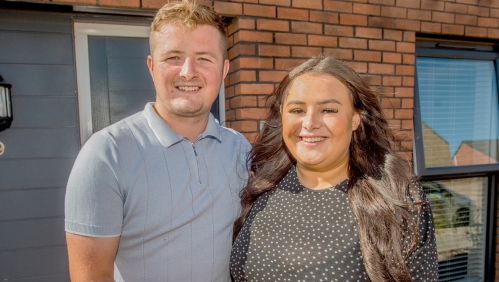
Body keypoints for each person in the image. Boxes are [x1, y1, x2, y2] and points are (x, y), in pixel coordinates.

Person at [65, 1, 251, 281]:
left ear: (224, 70)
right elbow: (91, 276)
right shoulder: (107, 153)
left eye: (204, 58)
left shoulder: (240, 150)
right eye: (173, 57)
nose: (188, 71)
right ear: (152, 67)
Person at [230, 55, 438, 281]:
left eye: (328, 110)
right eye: (297, 110)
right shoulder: (263, 187)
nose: (309, 123)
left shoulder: (398, 202)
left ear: (355, 119)